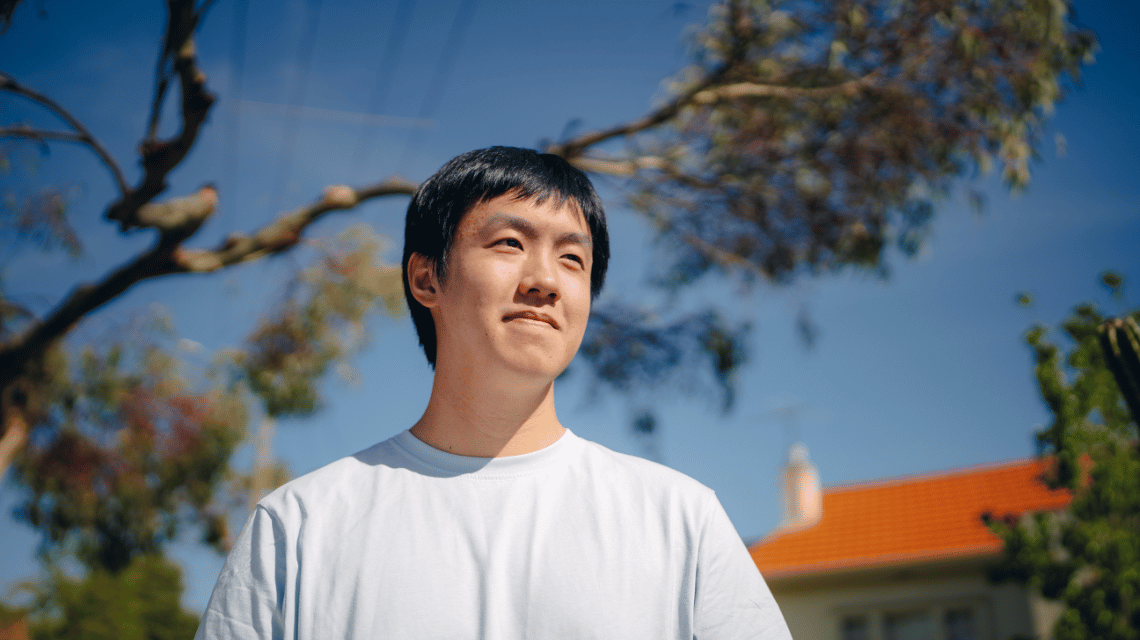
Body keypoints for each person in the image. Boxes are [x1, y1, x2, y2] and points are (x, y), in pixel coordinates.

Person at [194, 147, 792, 639]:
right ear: (426, 277)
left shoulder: (680, 521)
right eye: (510, 243)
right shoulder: (299, 527)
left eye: (572, 258)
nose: (545, 281)